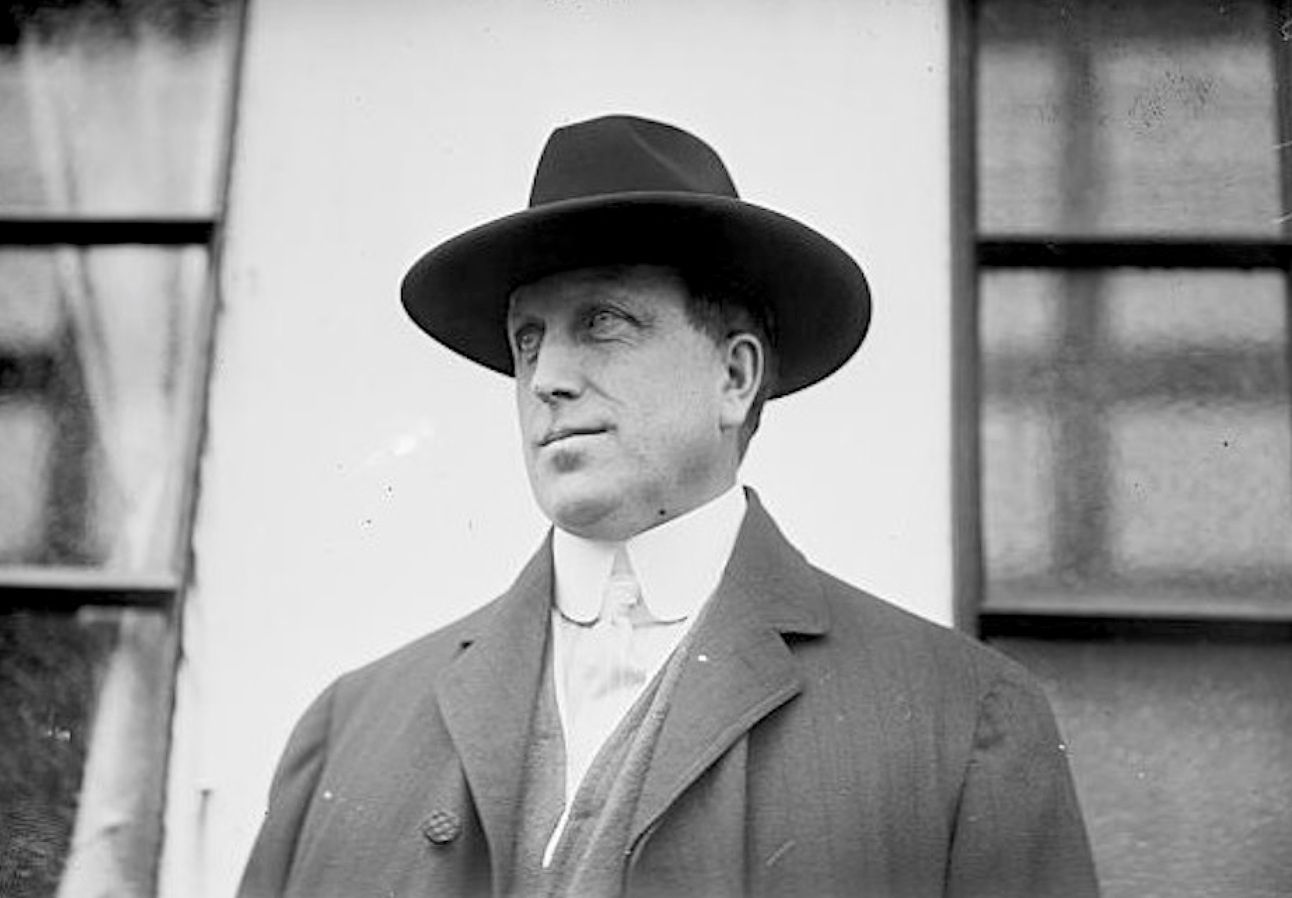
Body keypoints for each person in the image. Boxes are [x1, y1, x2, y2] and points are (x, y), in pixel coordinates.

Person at [237, 114, 1098, 898]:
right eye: (527, 339)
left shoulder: (961, 723)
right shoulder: (348, 732)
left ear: (735, 376)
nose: (546, 378)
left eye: (603, 322)